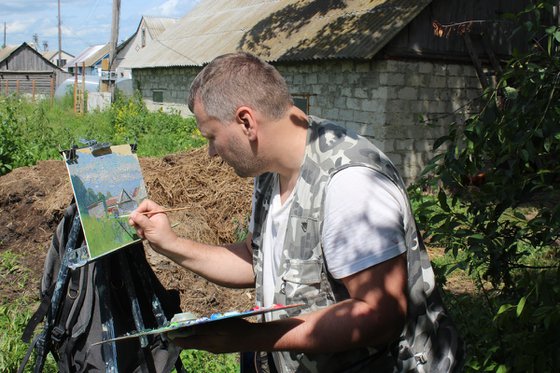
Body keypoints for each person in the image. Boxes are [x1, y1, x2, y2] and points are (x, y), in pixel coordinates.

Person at [129, 52, 463, 373]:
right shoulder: (271, 170)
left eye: (212, 137)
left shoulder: (349, 184)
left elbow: (379, 316)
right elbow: (255, 259)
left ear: (246, 121)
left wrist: (250, 338)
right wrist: (169, 243)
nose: (211, 153)